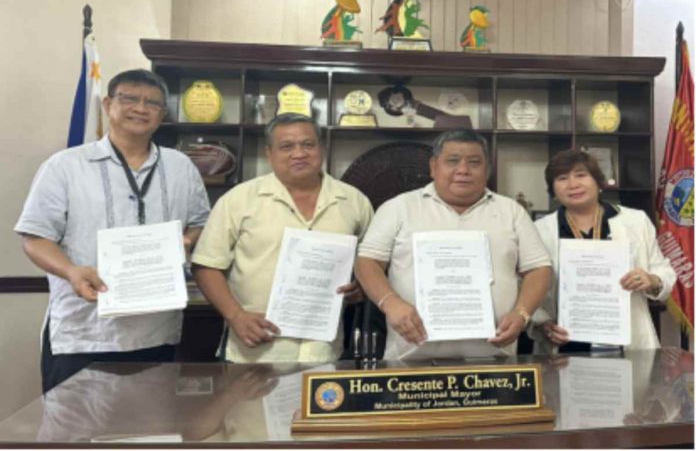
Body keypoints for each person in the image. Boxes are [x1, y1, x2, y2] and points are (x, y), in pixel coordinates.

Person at [15, 69, 210, 392]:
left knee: (150, 433)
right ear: (108, 104)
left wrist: (185, 241)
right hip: (84, 334)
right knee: (74, 436)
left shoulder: (180, 167)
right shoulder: (65, 166)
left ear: (163, 114)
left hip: (155, 330)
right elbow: (35, 237)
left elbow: (200, 220)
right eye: (129, 98)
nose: (140, 108)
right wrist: (72, 271)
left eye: (152, 103)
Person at [191, 112, 373, 363]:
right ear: (269, 153)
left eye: (308, 144)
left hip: (323, 351)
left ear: (322, 148)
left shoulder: (354, 201)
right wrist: (236, 316)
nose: (298, 153)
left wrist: (361, 287)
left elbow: (372, 263)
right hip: (254, 351)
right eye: (286, 146)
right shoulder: (239, 199)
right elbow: (206, 265)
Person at [355, 129, 552, 359]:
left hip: (495, 359)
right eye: (453, 161)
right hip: (411, 360)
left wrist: (522, 313)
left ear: (487, 169)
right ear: (433, 166)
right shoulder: (399, 208)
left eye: (474, 162)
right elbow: (367, 262)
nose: (463, 170)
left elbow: (539, 268)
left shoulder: (511, 211)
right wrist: (391, 303)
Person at [530, 149, 676, 354]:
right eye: (562, 178)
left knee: (634, 386)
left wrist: (651, 280)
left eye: (581, 175)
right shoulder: (538, 230)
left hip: (627, 342)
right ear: (553, 190)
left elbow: (664, 273)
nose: (573, 185)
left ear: (598, 182)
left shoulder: (635, 221)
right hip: (565, 344)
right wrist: (543, 323)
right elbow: (527, 288)